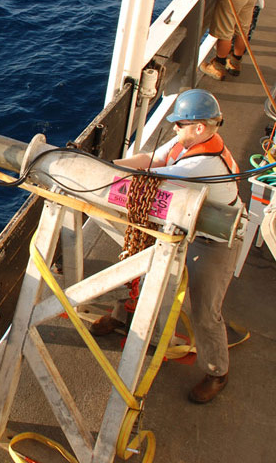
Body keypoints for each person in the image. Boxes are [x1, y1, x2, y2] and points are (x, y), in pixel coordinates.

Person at [92, 89, 243, 403]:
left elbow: (147, 178)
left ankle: (217, 372)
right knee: (140, 270)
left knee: (204, 311)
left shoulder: (203, 165)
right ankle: (125, 316)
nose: (174, 128)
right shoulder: (189, 143)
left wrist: (101, 177)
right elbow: (151, 159)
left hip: (212, 242)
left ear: (198, 128)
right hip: (182, 224)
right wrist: (109, 165)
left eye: (180, 124)